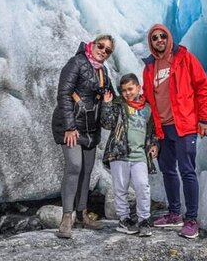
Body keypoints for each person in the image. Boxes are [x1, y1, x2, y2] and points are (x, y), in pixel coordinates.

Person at [143, 24, 207, 239]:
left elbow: (203, 87)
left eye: (162, 36)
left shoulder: (184, 58)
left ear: (169, 38)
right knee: (168, 171)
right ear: (151, 42)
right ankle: (175, 214)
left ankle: (191, 219)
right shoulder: (149, 68)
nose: (159, 40)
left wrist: (204, 119)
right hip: (163, 129)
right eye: (154, 38)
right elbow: (146, 98)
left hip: (184, 125)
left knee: (187, 171)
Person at [51, 34, 116, 239]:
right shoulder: (76, 63)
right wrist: (70, 127)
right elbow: (63, 94)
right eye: (101, 46)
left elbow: (111, 96)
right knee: (74, 166)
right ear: (93, 44)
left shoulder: (103, 71)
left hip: (90, 129)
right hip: (71, 127)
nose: (103, 51)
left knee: (87, 170)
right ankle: (66, 217)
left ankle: (82, 214)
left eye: (107, 50)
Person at [100, 73, 159, 237]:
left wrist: (155, 144)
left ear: (138, 88)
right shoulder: (118, 105)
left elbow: (152, 131)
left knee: (143, 186)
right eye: (124, 90)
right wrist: (106, 104)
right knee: (121, 189)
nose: (127, 93)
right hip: (119, 154)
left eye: (130, 89)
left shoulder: (147, 109)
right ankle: (124, 219)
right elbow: (107, 123)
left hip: (140, 155)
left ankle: (144, 219)